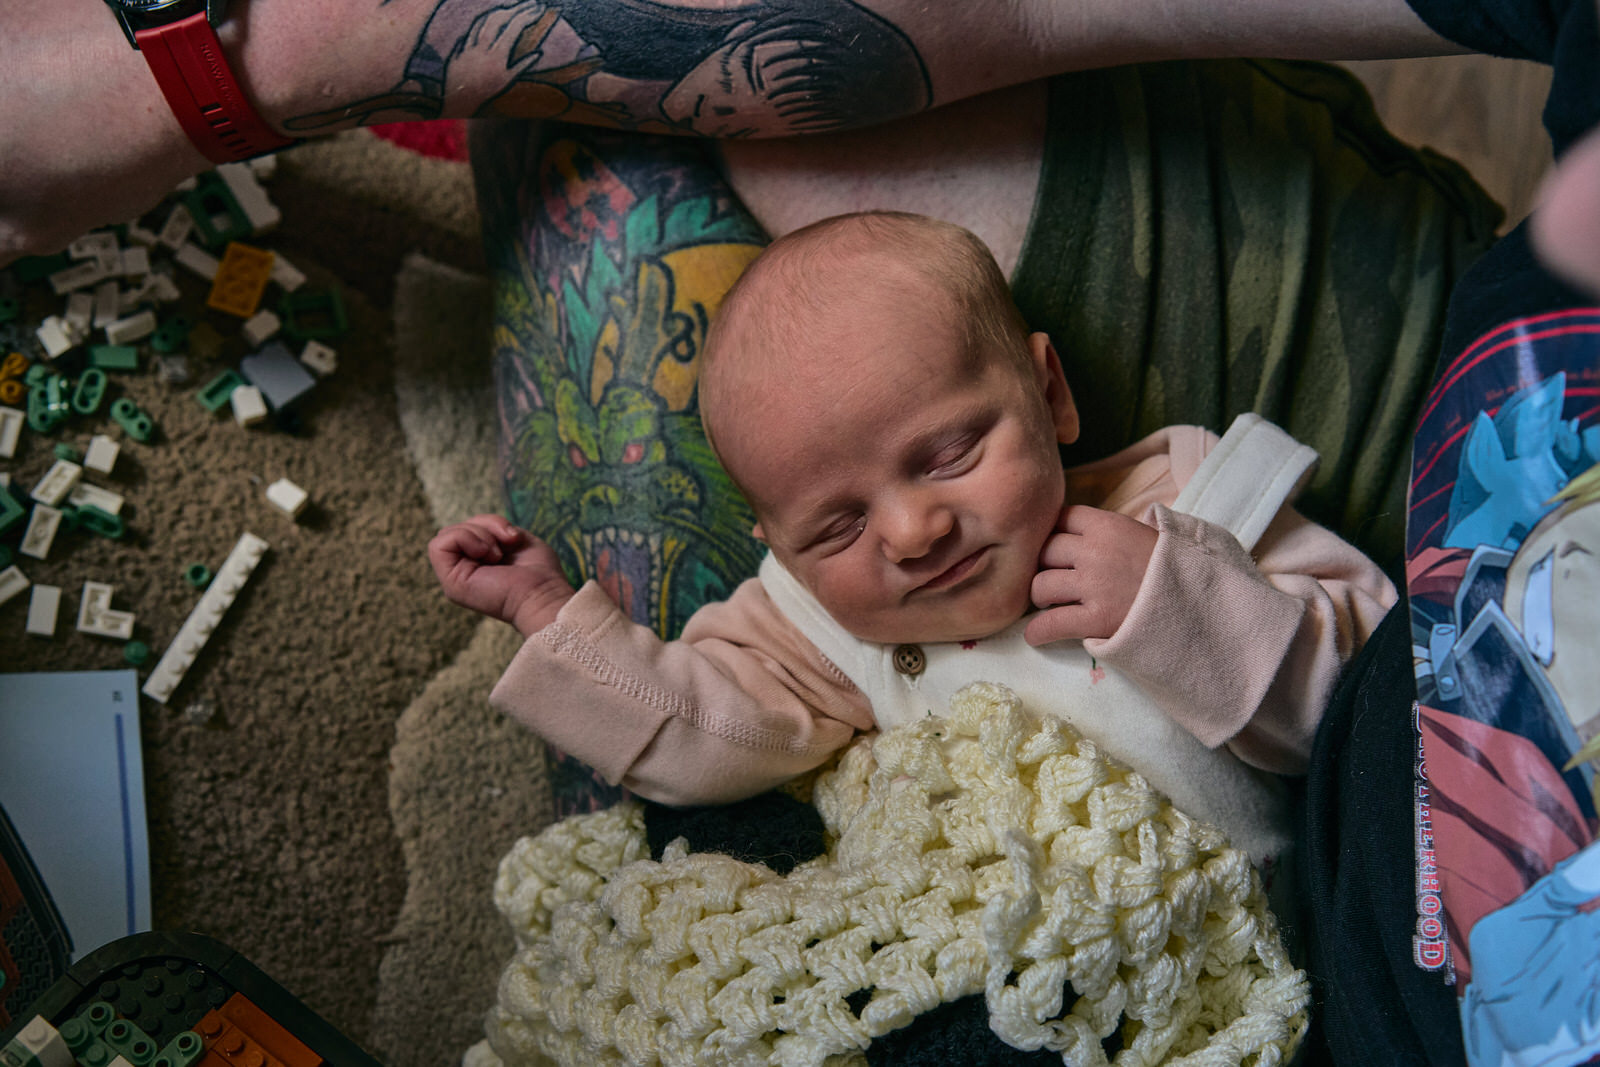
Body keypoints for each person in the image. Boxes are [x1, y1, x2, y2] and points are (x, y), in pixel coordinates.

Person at [429, 210, 1397, 865]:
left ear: (1048, 393)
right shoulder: (812, 622)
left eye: (947, 454)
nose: (912, 529)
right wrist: (548, 613)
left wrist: (1177, 603)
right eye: (837, 525)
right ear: (777, 541)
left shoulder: (1184, 501)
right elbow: (706, 742)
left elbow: (1380, 699)